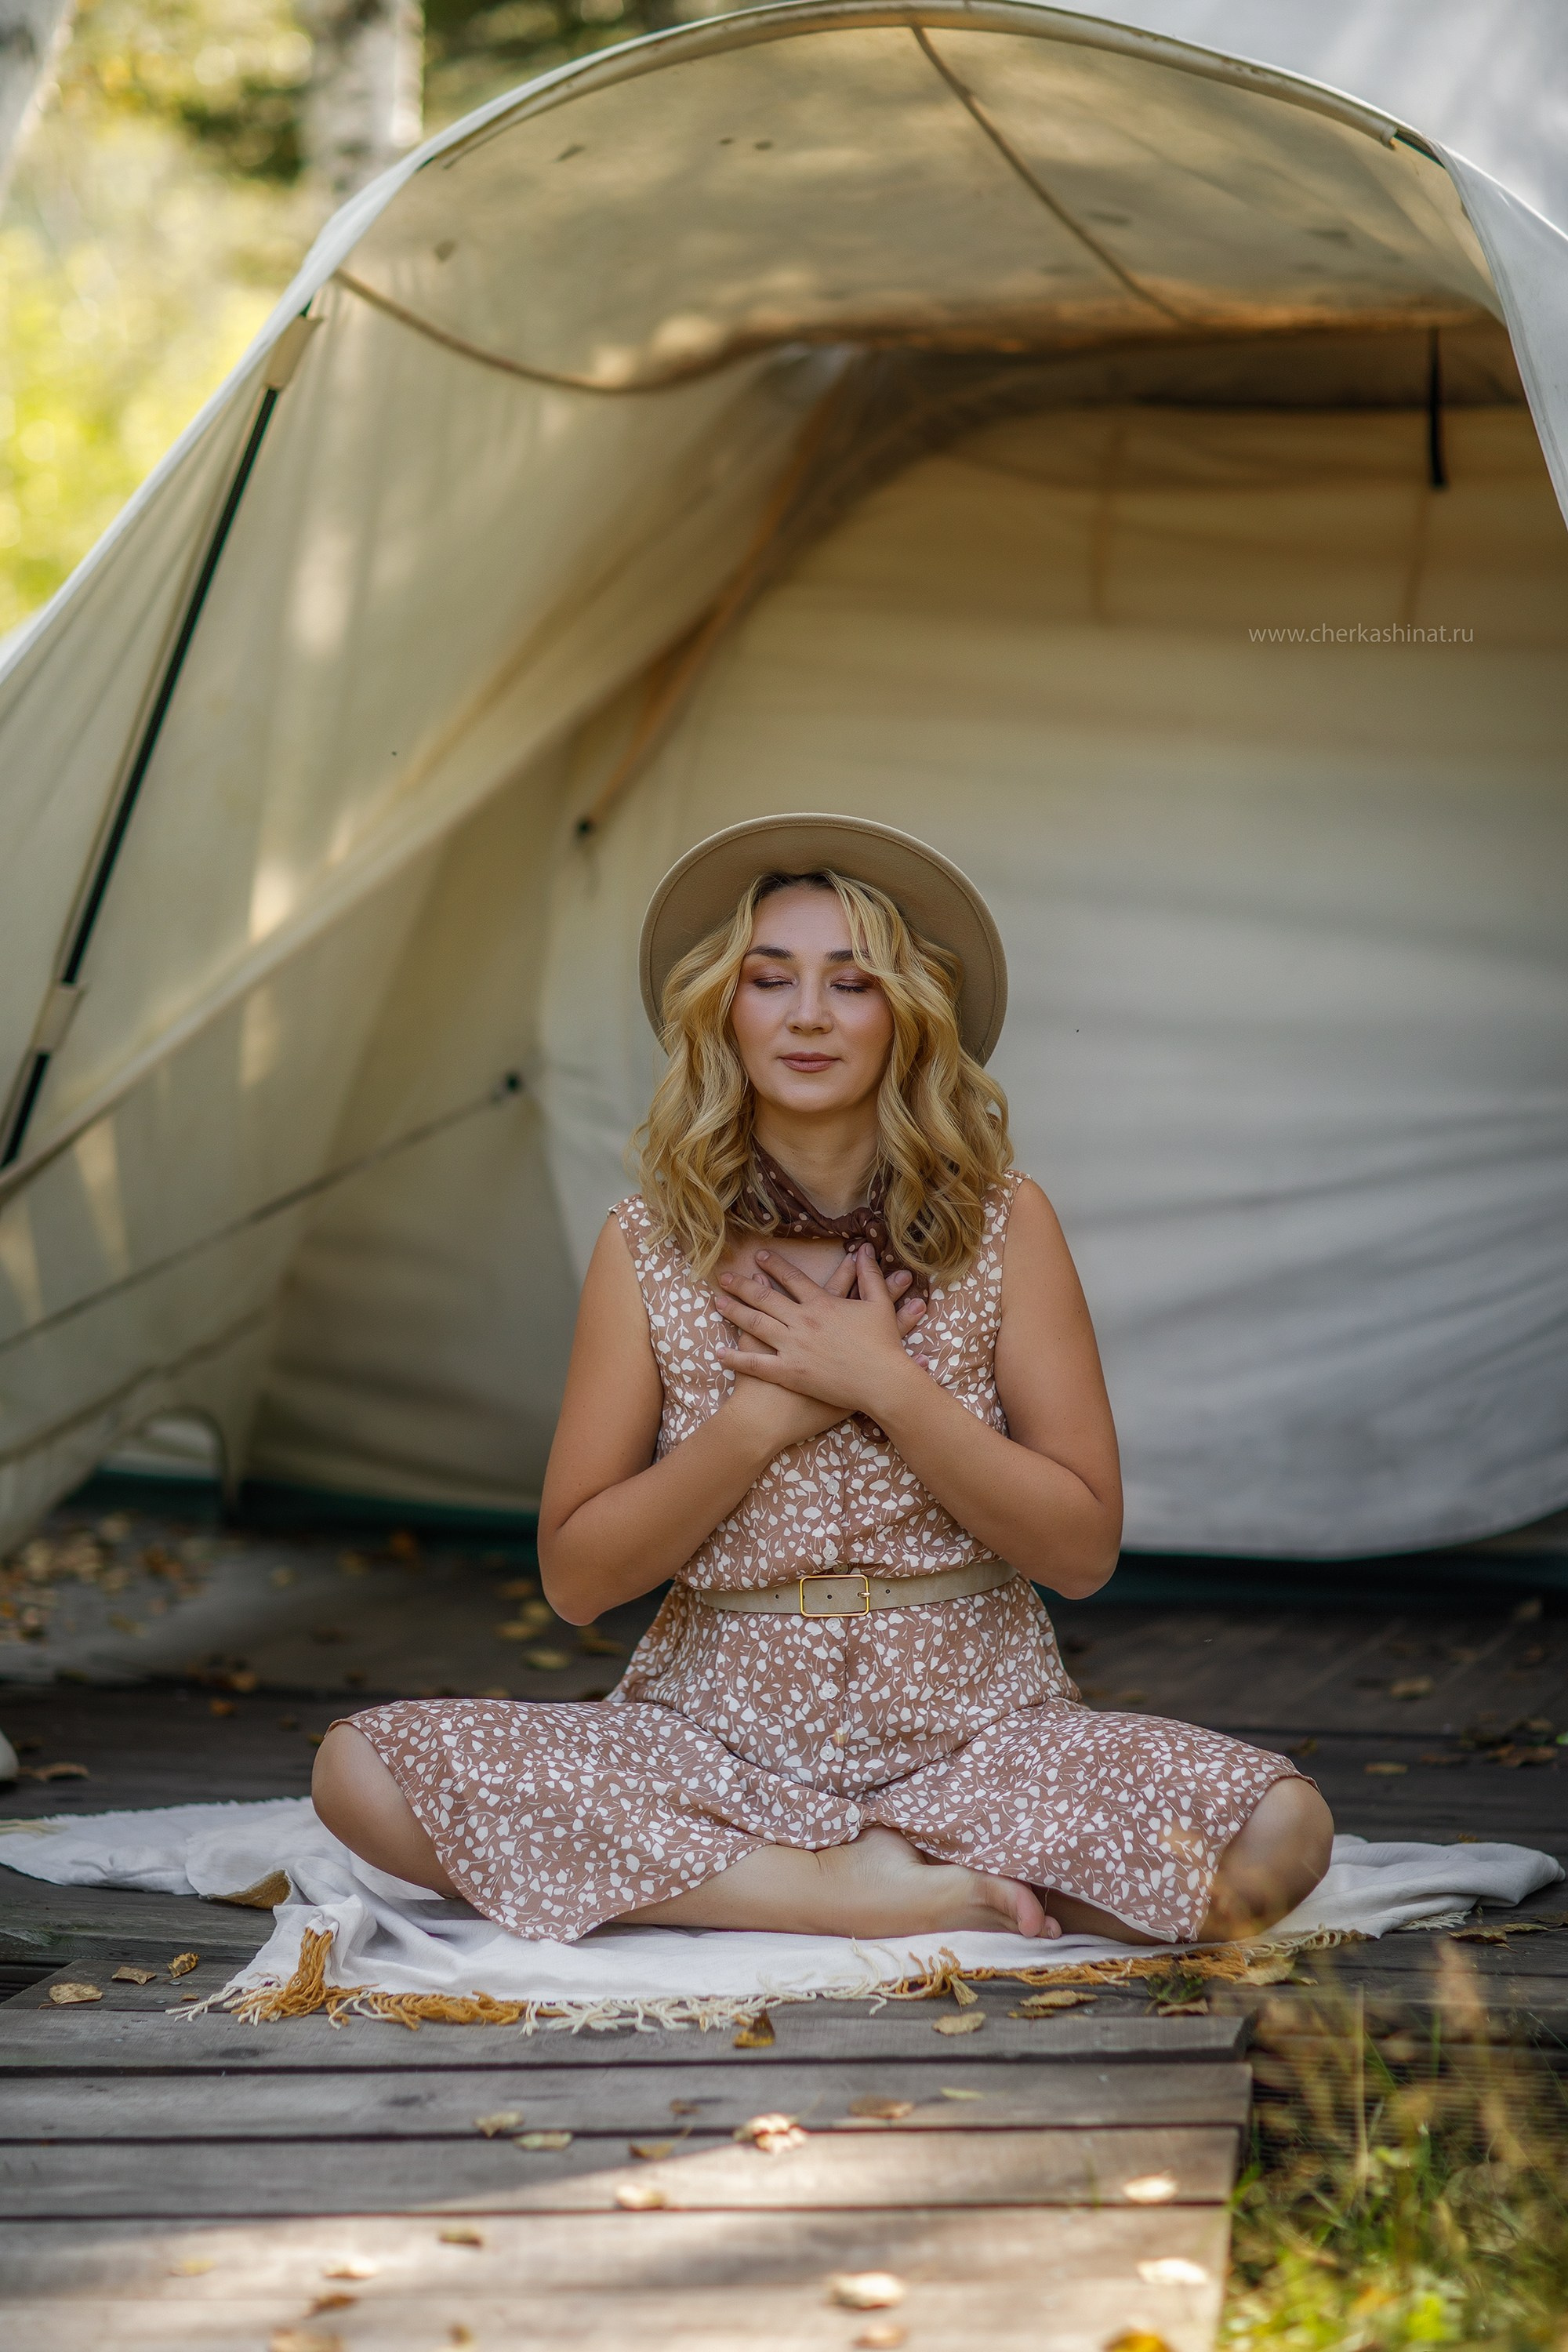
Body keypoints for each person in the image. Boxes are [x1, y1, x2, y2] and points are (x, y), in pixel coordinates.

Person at [314, 813, 1332, 1945]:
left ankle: (872, 1871)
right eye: (770, 980)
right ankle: (840, 1895)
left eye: (851, 984)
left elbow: (1083, 1552)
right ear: (724, 1010)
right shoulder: (646, 1245)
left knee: (1282, 1831)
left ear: (908, 1015)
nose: (807, 1015)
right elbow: (577, 1580)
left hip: (983, 1741)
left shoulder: (1007, 1224)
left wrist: (887, 1384)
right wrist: (759, 1422)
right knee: (362, 1772)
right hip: (711, 1748)